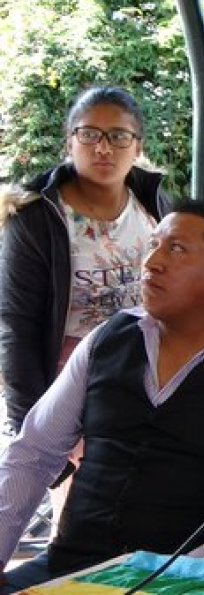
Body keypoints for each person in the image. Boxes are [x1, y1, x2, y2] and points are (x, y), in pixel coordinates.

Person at [0, 200, 204, 592]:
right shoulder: (109, 337)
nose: (152, 262)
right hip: (72, 567)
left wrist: (169, 576)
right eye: (154, 244)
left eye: (176, 250)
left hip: (189, 581)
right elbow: (33, 455)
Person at [0, 86, 171, 435]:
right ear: (70, 141)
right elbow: (16, 326)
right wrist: (30, 428)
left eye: (119, 136)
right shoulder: (37, 218)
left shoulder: (156, 206)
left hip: (149, 380)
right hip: (68, 388)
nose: (103, 147)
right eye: (89, 134)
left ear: (137, 146)